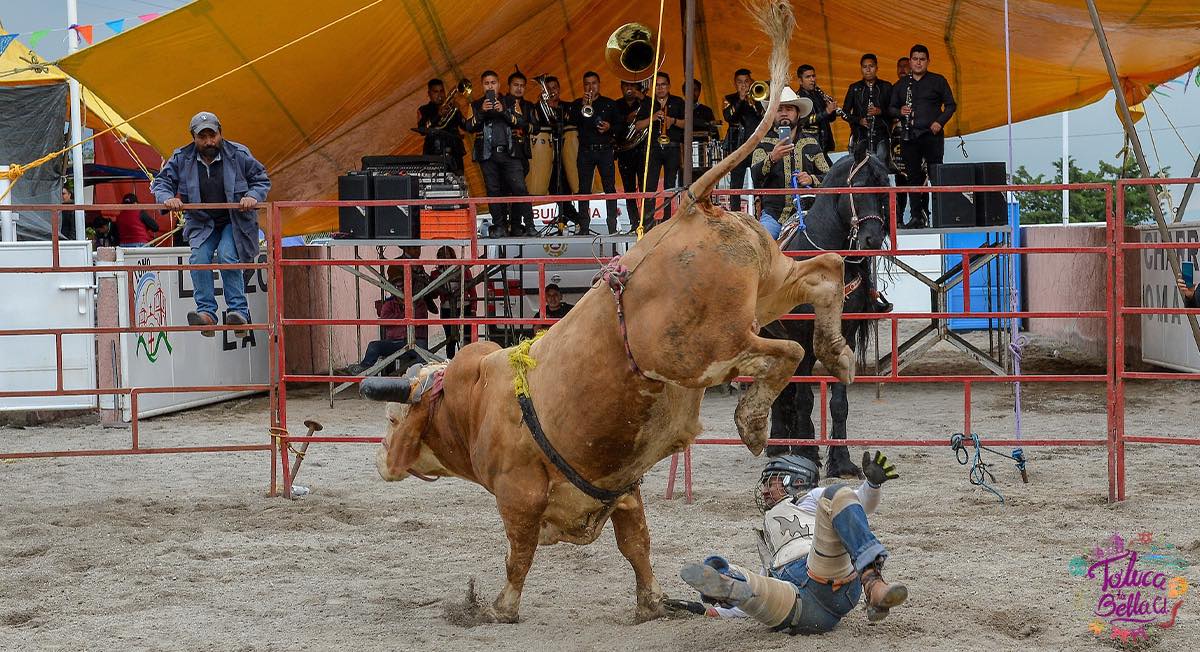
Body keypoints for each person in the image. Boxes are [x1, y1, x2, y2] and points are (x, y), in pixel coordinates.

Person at [670, 452, 908, 634]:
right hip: (804, 610)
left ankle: (872, 583)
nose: (763, 490)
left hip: (822, 571)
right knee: (749, 581)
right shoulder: (766, 532)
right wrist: (710, 612)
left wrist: (872, 486)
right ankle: (726, 583)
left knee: (838, 493)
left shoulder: (809, 499)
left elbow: (859, 504)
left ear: (792, 480)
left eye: (770, 482)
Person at [152, 111, 271, 338]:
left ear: (220, 134)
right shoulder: (181, 158)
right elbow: (162, 182)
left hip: (235, 222)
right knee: (198, 258)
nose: (209, 141)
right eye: (203, 137)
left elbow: (261, 179)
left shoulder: (238, 154)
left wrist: (252, 196)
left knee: (227, 255)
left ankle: (238, 312)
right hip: (202, 221)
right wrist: (169, 198)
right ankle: (206, 313)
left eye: (212, 135)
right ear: (194, 138)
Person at [889, 44, 956, 229]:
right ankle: (916, 217)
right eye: (915, 59)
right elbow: (891, 108)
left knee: (936, 175)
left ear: (928, 61)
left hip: (932, 135)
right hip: (909, 135)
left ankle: (941, 216)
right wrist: (900, 111)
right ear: (910, 61)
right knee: (912, 177)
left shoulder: (938, 81)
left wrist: (939, 122)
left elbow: (951, 105)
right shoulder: (902, 85)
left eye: (922, 59)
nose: (918, 62)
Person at [338, 248, 435, 375]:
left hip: (416, 339)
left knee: (422, 354)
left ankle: (421, 376)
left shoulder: (419, 301)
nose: (418, 251)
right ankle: (364, 368)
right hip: (395, 341)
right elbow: (386, 320)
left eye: (403, 285)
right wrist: (405, 316)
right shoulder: (390, 303)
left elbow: (419, 319)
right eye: (398, 286)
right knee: (375, 346)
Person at [462, 70, 535, 237]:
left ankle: (530, 225)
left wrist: (503, 111)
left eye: (493, 83)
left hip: (510, 153)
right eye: (487, 83)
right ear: (482, 86)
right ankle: (499, 226)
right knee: (493, 191)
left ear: (499, 84)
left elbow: (521, 122)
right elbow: (468, 127)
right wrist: (481, 112)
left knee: (519, 188)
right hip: (487, 155)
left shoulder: (510, 101)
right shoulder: (475, 104)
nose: (490, 86)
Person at [750, 88, 823, 239]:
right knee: (761, 245)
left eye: (789, 109)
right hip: (773, 216)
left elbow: (829, 176)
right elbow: (755, 176)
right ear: (773, 114)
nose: (784, 113)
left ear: (798, 113)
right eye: (779, 109)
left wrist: (811, 179)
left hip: (808, 214)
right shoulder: (763, 143)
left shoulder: (811, 142)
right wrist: (772, 158)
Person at [528, 75, 582, 232]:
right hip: (546, 155)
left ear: (559, 89)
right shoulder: (538, 107)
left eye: (554, 88)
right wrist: (541, 105)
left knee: (565, 188)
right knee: (554, 189)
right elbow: (535, 125)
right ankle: (574, 219)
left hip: (565, 154)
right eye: (548, 88)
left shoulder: (568, 106)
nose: (551, 91)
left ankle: (569, 219)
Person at [634, 71, 686, 227]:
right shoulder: (648, 104)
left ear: (669, 86)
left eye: (663, 84)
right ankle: (648, 222)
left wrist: (673, 121)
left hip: (672, 148)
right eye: (657, 85)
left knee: (670, 186)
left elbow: (687, 123)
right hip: (654, 148)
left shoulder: (678, 102)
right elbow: (637, 126)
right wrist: (653, 118)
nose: (660, 88)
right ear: (652, 87)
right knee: (650, 186)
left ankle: (668, 221)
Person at [571, 71, 620, 235]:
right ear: (583, 86)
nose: (590, 87)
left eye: (593, 83)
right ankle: (583, 227)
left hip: (605, 150)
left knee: (609, 188)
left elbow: (621, 127)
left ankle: (612, 227)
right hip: (585, 151)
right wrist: (581, 106)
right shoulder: (578, 104)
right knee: (584, 189)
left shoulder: (609, 104)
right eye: (587, 84)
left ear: (599, 84)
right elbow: (571, 123)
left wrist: (609, 128)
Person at [723, 68, 764, 213]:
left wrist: (754, 102)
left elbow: (764, 116)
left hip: (757, 146)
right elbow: (728, 116)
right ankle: (735, 213)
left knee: (760, 179)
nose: (744, 85)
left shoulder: (758, 97)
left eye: (746, 81)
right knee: (736, 184)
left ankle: (761, 211)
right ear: (735, 83)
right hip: (738, 147)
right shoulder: (729, 99)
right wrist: (740, 99)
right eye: (740, 82)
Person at [842, 54, 893, 163]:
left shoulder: (886, 86)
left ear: (877, 68)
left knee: (881, 167)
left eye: (871, 66)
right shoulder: (854, 88)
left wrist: (880, 111)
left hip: (881, 136)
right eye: (865, 67)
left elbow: (894, 111)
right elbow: (844, 113)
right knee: (861, 168)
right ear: (861, 69)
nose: (868, 70)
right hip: (860, 135)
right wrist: (859, 120)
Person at [415, 78, 467, 175]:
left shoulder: (451, 107)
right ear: (429, 94)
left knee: (457, 183)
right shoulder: (424, 110)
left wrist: (458, 111)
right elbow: (422, 129)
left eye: (442, 91)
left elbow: (466, 127)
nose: (440, 95)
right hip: (434, 152)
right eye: (436, 92)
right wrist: (438, 115)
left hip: (454, 152)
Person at [432, 245, 476, 359]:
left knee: (466, 337)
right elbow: (434, 293)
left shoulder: (463, 270)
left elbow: (472, 291)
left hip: (464, 306)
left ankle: (467, 360)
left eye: (447, 255)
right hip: (446, 308)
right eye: (442, 256)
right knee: (450, 339)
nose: (445, 258)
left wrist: (473, 308)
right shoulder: (436, 274)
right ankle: (451, 363)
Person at [615, 80, 648, 229]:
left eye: (632, 85)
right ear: (621, 88)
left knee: (645, 187)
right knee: (629, 189)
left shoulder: (645, 103)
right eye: (625, 85)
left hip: (642, 151)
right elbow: (614, 127)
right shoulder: (615, 105)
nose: (629, 88)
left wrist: (641, 97)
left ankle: (647, 221)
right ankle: (634, 222)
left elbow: (655, 109)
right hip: (624, 152)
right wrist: (626, 119)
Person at [680, 78, 720, 186]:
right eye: (689, 90)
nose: (693, 92)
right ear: (684, 92)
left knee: (704, 182)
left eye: (696, 90)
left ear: (700, 91)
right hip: (683, 151)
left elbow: (714, 132)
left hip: (703, 152)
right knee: (684, 182)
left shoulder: (706, 110)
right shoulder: (679, 109)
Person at [795, 64, 838, 155]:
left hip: (826, 142)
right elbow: (804, 121)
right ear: (800, 81)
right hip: (812, 144)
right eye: (808, 77)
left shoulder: (819, 94)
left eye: (813, 76)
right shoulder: (798, 99)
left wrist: (832, 109)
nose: (812, 80)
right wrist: (826, 111)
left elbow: (831, 119)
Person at [891, 57, 912, 224]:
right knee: (901, 179)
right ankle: (898, 218)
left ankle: (920, 215)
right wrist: (899, 112)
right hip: (898, 140)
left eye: (905, 66)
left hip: (917, 137)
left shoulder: (918, 87)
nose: (902, 70)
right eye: (900, 67)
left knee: (919, 180)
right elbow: (888, 110)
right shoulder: (895, 88)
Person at [507, 71, 535, 177]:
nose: (519, 88)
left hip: (522, 150)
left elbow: (536, 128)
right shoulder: (502, 103)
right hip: (505, 152)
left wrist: (523, 125)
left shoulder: (529, 106)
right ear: (509, 86)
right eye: (516, 85)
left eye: (522, 86)